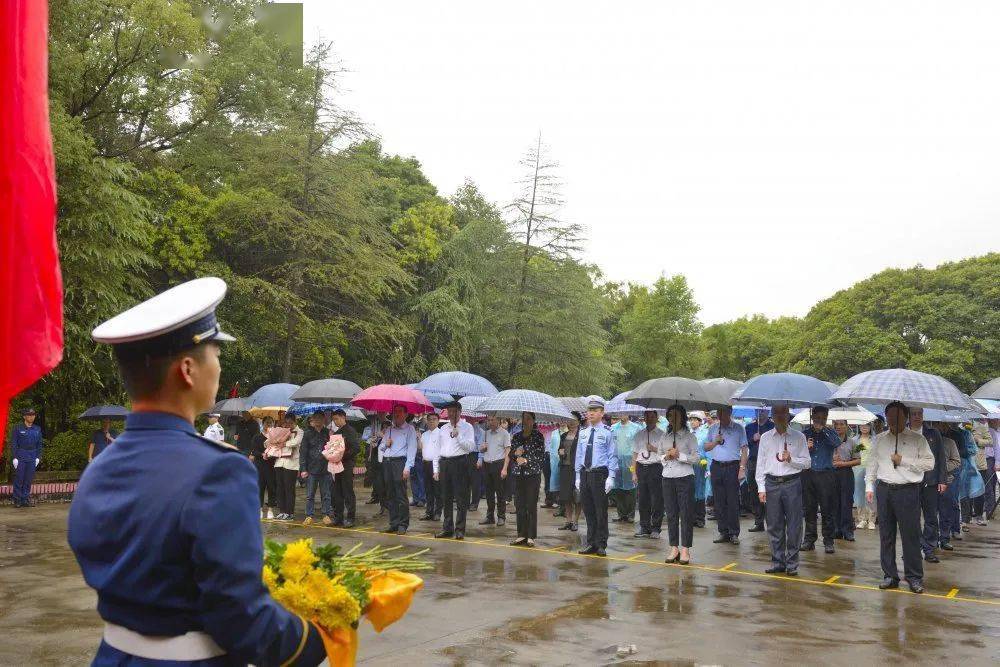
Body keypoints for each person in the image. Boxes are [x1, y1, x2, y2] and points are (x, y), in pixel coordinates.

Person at [67, 277, 327, 665]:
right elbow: (241, 618)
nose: (219, 366)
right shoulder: (219, 472)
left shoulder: (100, 467)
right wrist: (318, 636)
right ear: (188, 369)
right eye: (215, 353)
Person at [866, 401, 935, 594]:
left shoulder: (917, 439)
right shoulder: (879, 439)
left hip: (908, 491)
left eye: (898, 416)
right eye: (890, 416)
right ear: (886, 417)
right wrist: (869, 486)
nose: (893, 420)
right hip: (885, 490)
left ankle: (914, 577)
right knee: (886, 535)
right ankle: (890, 575)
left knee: (911, 536)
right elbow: (872, 464)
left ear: (905, 417)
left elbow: (930, 463)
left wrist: (903, 461)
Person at [756, 405, 811, 576]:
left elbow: (807, 463)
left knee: (794, 525)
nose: (780, 416)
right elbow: (761, 464)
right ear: (772, 416)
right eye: (776, 413)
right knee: (773, 524)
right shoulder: (765, 437)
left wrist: (791, 459)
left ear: (788, 415)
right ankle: (777, 561)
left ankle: (792, 563)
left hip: (792, 483)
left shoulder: (799, 436)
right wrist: (761, 487)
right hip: (771, 483)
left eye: (783, 413)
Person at [575, 399, 619, 557]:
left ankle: (601, 543)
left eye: (595, 410)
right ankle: (591, 542)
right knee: (588, 510)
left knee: (601, 510)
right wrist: (577, 476)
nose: (591, 413)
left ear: (602, 413)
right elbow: (579, 455)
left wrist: (611, 477)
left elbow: (612, 455)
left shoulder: (608, 432)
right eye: (589, 410)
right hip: (585, 473)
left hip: (599, 473)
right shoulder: (584, 432)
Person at [660, 405, 699, 564]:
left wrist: (680, 455)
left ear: (682, 417)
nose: (672, 419)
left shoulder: (689, 437)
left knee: (686, 513)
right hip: (668, 477)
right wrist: (667, 456)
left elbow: (696, 458)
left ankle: (685, 549)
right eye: (670, 416)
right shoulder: (665, 436)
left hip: (684, 477)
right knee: (671, 514)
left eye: (676, 416)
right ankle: (674, 547)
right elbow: (659, 457)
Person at [704, 406, 748, 545]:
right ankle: (723, 531)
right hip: (717, 466)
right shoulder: (712, 428)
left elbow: (744, 449)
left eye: (723, 412)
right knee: (719, 501)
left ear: (729, 412)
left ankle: (734, 533)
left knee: (732, 501)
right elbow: (706, 447)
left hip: (732, 466)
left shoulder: (738, 428)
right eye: (719, 412)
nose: (720, 415)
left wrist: (742, 468)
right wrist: (715, 441)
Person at [800, 406, 840, 554]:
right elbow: (798, 454)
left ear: (826, 418)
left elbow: (836, 443)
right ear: (812, 417)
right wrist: (806, 448)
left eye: (823, 418)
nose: (819, 420)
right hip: (808, 474)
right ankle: (809, 539)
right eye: (817, 418)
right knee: (809, 508)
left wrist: (822, 430)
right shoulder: (804, 434)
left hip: (825, 474)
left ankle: (828, 541)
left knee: (827, 509)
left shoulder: (830, 432)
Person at [909, 408, 946, 563]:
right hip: (910, 482)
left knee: (931, 518)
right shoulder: (903, 433)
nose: (917, 417)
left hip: (930, 482)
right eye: (914, 414)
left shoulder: (933, 433)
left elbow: (940, 458)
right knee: (912, 518)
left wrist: (942, 480)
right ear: (908, 416)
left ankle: (929, 549)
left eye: (920, 414)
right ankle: (912, 549)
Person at [434, 402, 476, 539]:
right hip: (445, 463)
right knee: (445, 497)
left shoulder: (467, 427)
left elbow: (470, 447)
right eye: (449, 411)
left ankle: (459, 529)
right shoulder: (443, 428)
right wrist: (436, 468)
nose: (451, 414)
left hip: (460, 462)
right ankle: (447, 528)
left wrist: (459, 436)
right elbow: (438, 449)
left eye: (454, 411)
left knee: (460, 498)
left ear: (460, 411)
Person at [379, 405, 419, 535]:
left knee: (401, 495)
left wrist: (407, 467)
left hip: (400, 463)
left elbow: (412, 450)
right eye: (395, 412)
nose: (396, 414)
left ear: (406, 414)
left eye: (399, 412)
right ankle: (393, 522)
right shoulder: (389, 429)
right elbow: (381, 448)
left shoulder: (410, 429)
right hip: (387, 463)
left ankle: (403, 524)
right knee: (390, 494)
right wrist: (386, 444)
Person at [509, 411, 546, 547]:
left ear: (533, 420)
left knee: (531, 505)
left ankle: (530, 536)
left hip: (533, 474)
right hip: (519, 474)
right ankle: (521, 534)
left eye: (529, 419)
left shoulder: (538, 436)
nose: (526, 421)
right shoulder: (517, 436)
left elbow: (540, 455)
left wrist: (526, 460)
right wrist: (515, 454)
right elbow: (511, 453)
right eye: (524, 419)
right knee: (519, 504)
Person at [633, 409, 665, 539]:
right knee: (642, 499)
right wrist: (633, 472)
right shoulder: (639, 434)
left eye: (652, 417)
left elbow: (666, 453)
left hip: (656, 467)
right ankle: (644, 526)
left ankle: (656, 527)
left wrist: (654, 449)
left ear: (656, 418)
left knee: (657, 499)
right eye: (647, 417)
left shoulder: (662, 434)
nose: (649, 419)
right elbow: (634, 454)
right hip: (641, 467)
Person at [299, 412, 333, 526]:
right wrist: (303, 468)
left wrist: (333, 438)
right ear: (312, 420)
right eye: (316, 418)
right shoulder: (307, 434)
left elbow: (333, 449)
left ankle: (326, 515)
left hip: (325, 468)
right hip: (311, 469)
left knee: (326, 494)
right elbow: (303, 452)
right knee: (310, 495)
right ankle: (309, 515)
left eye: (320, 418)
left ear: (324, 420)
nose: (318, 420)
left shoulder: (328, 433)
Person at [744, 409, 774, 532]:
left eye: (763, 411)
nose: (760, 413)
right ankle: (758, 521)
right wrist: (753, 439)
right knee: (754, 491)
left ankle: (771, 520)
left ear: (767, 413)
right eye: (758, 411)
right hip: (753, 461)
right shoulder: (750, 427)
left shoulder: (772, 426)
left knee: (769, 491)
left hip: (769, 461)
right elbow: (745, 444)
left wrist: (764, 439)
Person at [329, 409, 360, 527]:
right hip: (337, 465)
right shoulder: (337, 433)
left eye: (337, 419)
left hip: (347, 464)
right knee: (337, 491)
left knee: (347, 491)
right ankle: (338, 517)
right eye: (333, 420)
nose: (335, 421)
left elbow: (356, 448)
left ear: (343, 417)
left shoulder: (350, 431)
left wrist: (343, 456)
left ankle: (351, 518)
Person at [480, 415, 511, 526]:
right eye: (488, 420)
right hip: (487, 464)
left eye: (492, 420)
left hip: (499, 464)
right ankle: (490, 516)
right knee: (488, 492)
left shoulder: (504, 434)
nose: (490, 422)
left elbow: (508, 452)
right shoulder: (486, 433)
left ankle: (501, 516)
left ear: (498, 420)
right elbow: (482, 449)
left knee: (500, 492)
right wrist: (482, 448)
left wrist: (505, 468)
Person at [831, 419, 860, 541]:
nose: (838, 426)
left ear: (846, 426)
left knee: (846, 502)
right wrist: (832, 459)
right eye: (836, 424)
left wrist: (843, 463)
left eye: (841, 424)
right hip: (832, 474)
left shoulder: (852, 442)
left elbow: (858, 460)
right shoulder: (829, 441)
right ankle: (836, 530)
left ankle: (847, 531)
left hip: (846, 473)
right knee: (834, 502)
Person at [935, 422, 962, 551]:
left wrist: (943, 469)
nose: (940, 427)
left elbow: (957, 461)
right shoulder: (925, 441)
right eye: (936, 425)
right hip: (929, 482)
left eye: (942, 425)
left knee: (946, 511)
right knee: (931, 514)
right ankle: (932, 540)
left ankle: (944, 538)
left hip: (947, 481)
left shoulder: (950, 442)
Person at [609, 415, 640, 523]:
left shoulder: (636, 428)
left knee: (631, 487)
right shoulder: (613, 428)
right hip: (617, 460)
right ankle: (621, 514)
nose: (622, 415)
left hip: (631, 461)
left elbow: (638, 446)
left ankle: (630, 514)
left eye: (625, 413)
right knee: (618, 487)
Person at [10, 408, 43, 508]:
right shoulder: (18, 428)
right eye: (29, 415)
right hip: (21, 455)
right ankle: (17, 500)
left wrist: (38, 457)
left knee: (28, 479)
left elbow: (39, 444)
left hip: (32, 456)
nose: (32, 417)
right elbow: (14, 444)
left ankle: (25, 499)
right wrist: (15, 457)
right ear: (24, 416)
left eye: (33, 415)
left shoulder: (37, 429)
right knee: (19, 479)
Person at [272, 414, 301, 520]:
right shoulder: (283, 431)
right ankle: (282, 511)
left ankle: (290, 512)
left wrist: (284, 443)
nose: (288, 425)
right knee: (280, 488)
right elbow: (269, 441)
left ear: (295, 422)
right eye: (286, 422)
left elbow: (296, 442)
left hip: (292, 464)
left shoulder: (300, 432)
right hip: (279, 462)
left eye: (290, 423)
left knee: (289, 489)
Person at [556, 414, 582, 531]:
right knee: (566, 496)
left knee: (577, 496)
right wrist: (560, 452)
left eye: (574, 420)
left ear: (578, 421)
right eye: (569, 420)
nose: (571, 423)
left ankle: (576, 521)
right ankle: (568, 521)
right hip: (564, 467)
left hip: (576, 469)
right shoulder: (563, 435)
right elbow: (560, 449)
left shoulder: (582, 435)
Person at [419, 414, 443, 522]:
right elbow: (421, 448)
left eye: (434, 419)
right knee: (428, 490)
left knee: (437, 489)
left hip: (436, 463)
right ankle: (429, 512)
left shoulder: (441, 434)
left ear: (438, 421)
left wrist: (437, 468)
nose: (431, 422)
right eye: (429, 420)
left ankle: (438, 512)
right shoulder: (424, 434)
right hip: (426, 463)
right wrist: (418, 438)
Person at [853, 422, 876, 530]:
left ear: (870, 426)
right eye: (862, 425)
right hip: (858, 469)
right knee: (859, 494)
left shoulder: (876, 439)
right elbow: (852, 454)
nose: (864, 427)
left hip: (872, 469)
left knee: (871, 495)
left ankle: (871, 520)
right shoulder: (854, 440)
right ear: (859, 427)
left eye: (867, 425)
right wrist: (858, 449)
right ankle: (862, 519)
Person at [689, 413, 708, 527]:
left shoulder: (705, 433)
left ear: (700, 421)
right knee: (690, 490)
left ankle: (700, 518)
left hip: (700, 463)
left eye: (695, 420)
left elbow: (707, 449)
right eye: (691, 420)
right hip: (689, 463)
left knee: (700, 490)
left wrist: (707, 462)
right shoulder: (688, 434)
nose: (692, 422)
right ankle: (691, 517)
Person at [986, 418, 999, 520]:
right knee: (990, 485)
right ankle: (990, 508)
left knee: (990, 485)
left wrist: (997, 462)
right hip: (990, 460)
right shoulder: (991, 431)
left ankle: (990, 509)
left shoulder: (993, 432)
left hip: (991, 460)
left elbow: (997, 448)